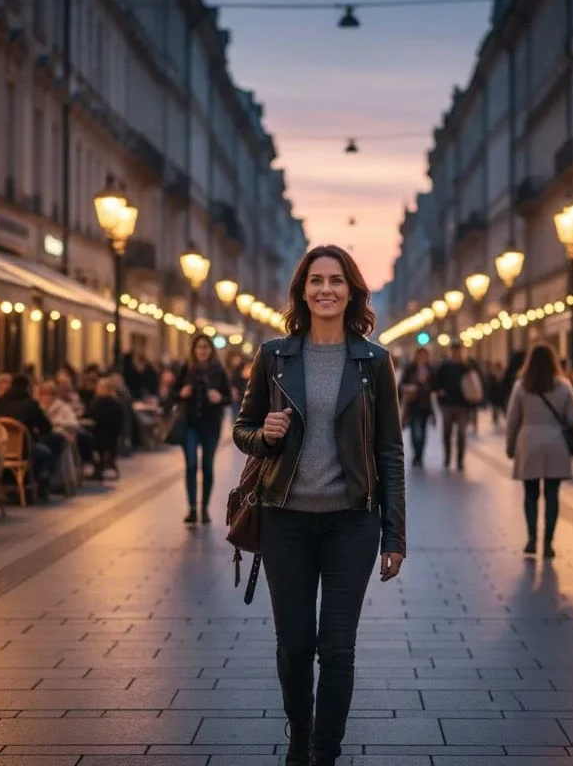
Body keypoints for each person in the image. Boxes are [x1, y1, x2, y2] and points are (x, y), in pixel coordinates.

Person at [233, 244, 405, 766]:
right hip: (284, 519)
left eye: (336, 280)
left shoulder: (374, 362)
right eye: (316, 281)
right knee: (293, 646)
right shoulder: (275, 356)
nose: (326, 290)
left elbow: (389, 451)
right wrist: (264, 433)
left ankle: (325, 751)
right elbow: (241, 430)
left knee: (336, 647)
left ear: (351, 291)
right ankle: (300, 733)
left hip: (352, 522)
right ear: (302, 291)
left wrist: (394, 536)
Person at [505, 343, 573, 559]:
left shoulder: (521, 386)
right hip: (556, 442)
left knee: (530, 494)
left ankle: (531, 539)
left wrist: (510, 447)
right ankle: (548, 542)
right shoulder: (564, 386)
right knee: (552, 494)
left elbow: (512, 420)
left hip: (528, 442)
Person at [173, 334, 232, 524]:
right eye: (199, 347)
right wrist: (181, 394)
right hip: (189, 424)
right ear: (194, 350)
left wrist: (219, 398)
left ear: (211, 350)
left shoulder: (218, 371)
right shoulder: (185, 369)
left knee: (207, 466)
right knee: (191, 465)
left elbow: (229, 397)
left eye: (206, 347)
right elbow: (172, 395)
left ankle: (204, 507)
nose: (202, 351)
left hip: (210, 425)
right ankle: (191, 508)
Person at [0, 373, 56, 498]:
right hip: (24, 450)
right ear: (28, 387)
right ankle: (37, 486)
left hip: (0, 449)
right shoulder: (31, 403)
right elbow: (46, 427)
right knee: (46, 453)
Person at [432, 340, 470, 470]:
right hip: (447, 404)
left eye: (458, 350)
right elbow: (436, 382)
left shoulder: (466, 366)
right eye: (454, 350)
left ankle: (460, 460)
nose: (456, 353)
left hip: (462, 405)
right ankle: (447, 457)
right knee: (447, 432)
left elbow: (475, 381)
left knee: (461, 434)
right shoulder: (444, 366)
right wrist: (440, 391)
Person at [399, 347, 435, 467]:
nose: (422, 358)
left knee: (423, 431)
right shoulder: (411, 368)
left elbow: (435, 385)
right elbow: (401, 384)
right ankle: (416, 454)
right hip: (413, 404)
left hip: (425, 405)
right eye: (420, 355)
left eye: (425, 356)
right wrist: (408, 388)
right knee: (415, 430)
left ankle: (420, 455)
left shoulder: (430, 369)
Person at [85, 377, 125, 479]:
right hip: (111, 437)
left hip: (101, 436)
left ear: (105, 389)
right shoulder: (116, 403)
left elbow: (92, 417)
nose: (96, 389)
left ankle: (97, 466)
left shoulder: (101, 402)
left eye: (99, 387)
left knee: (84, 440)